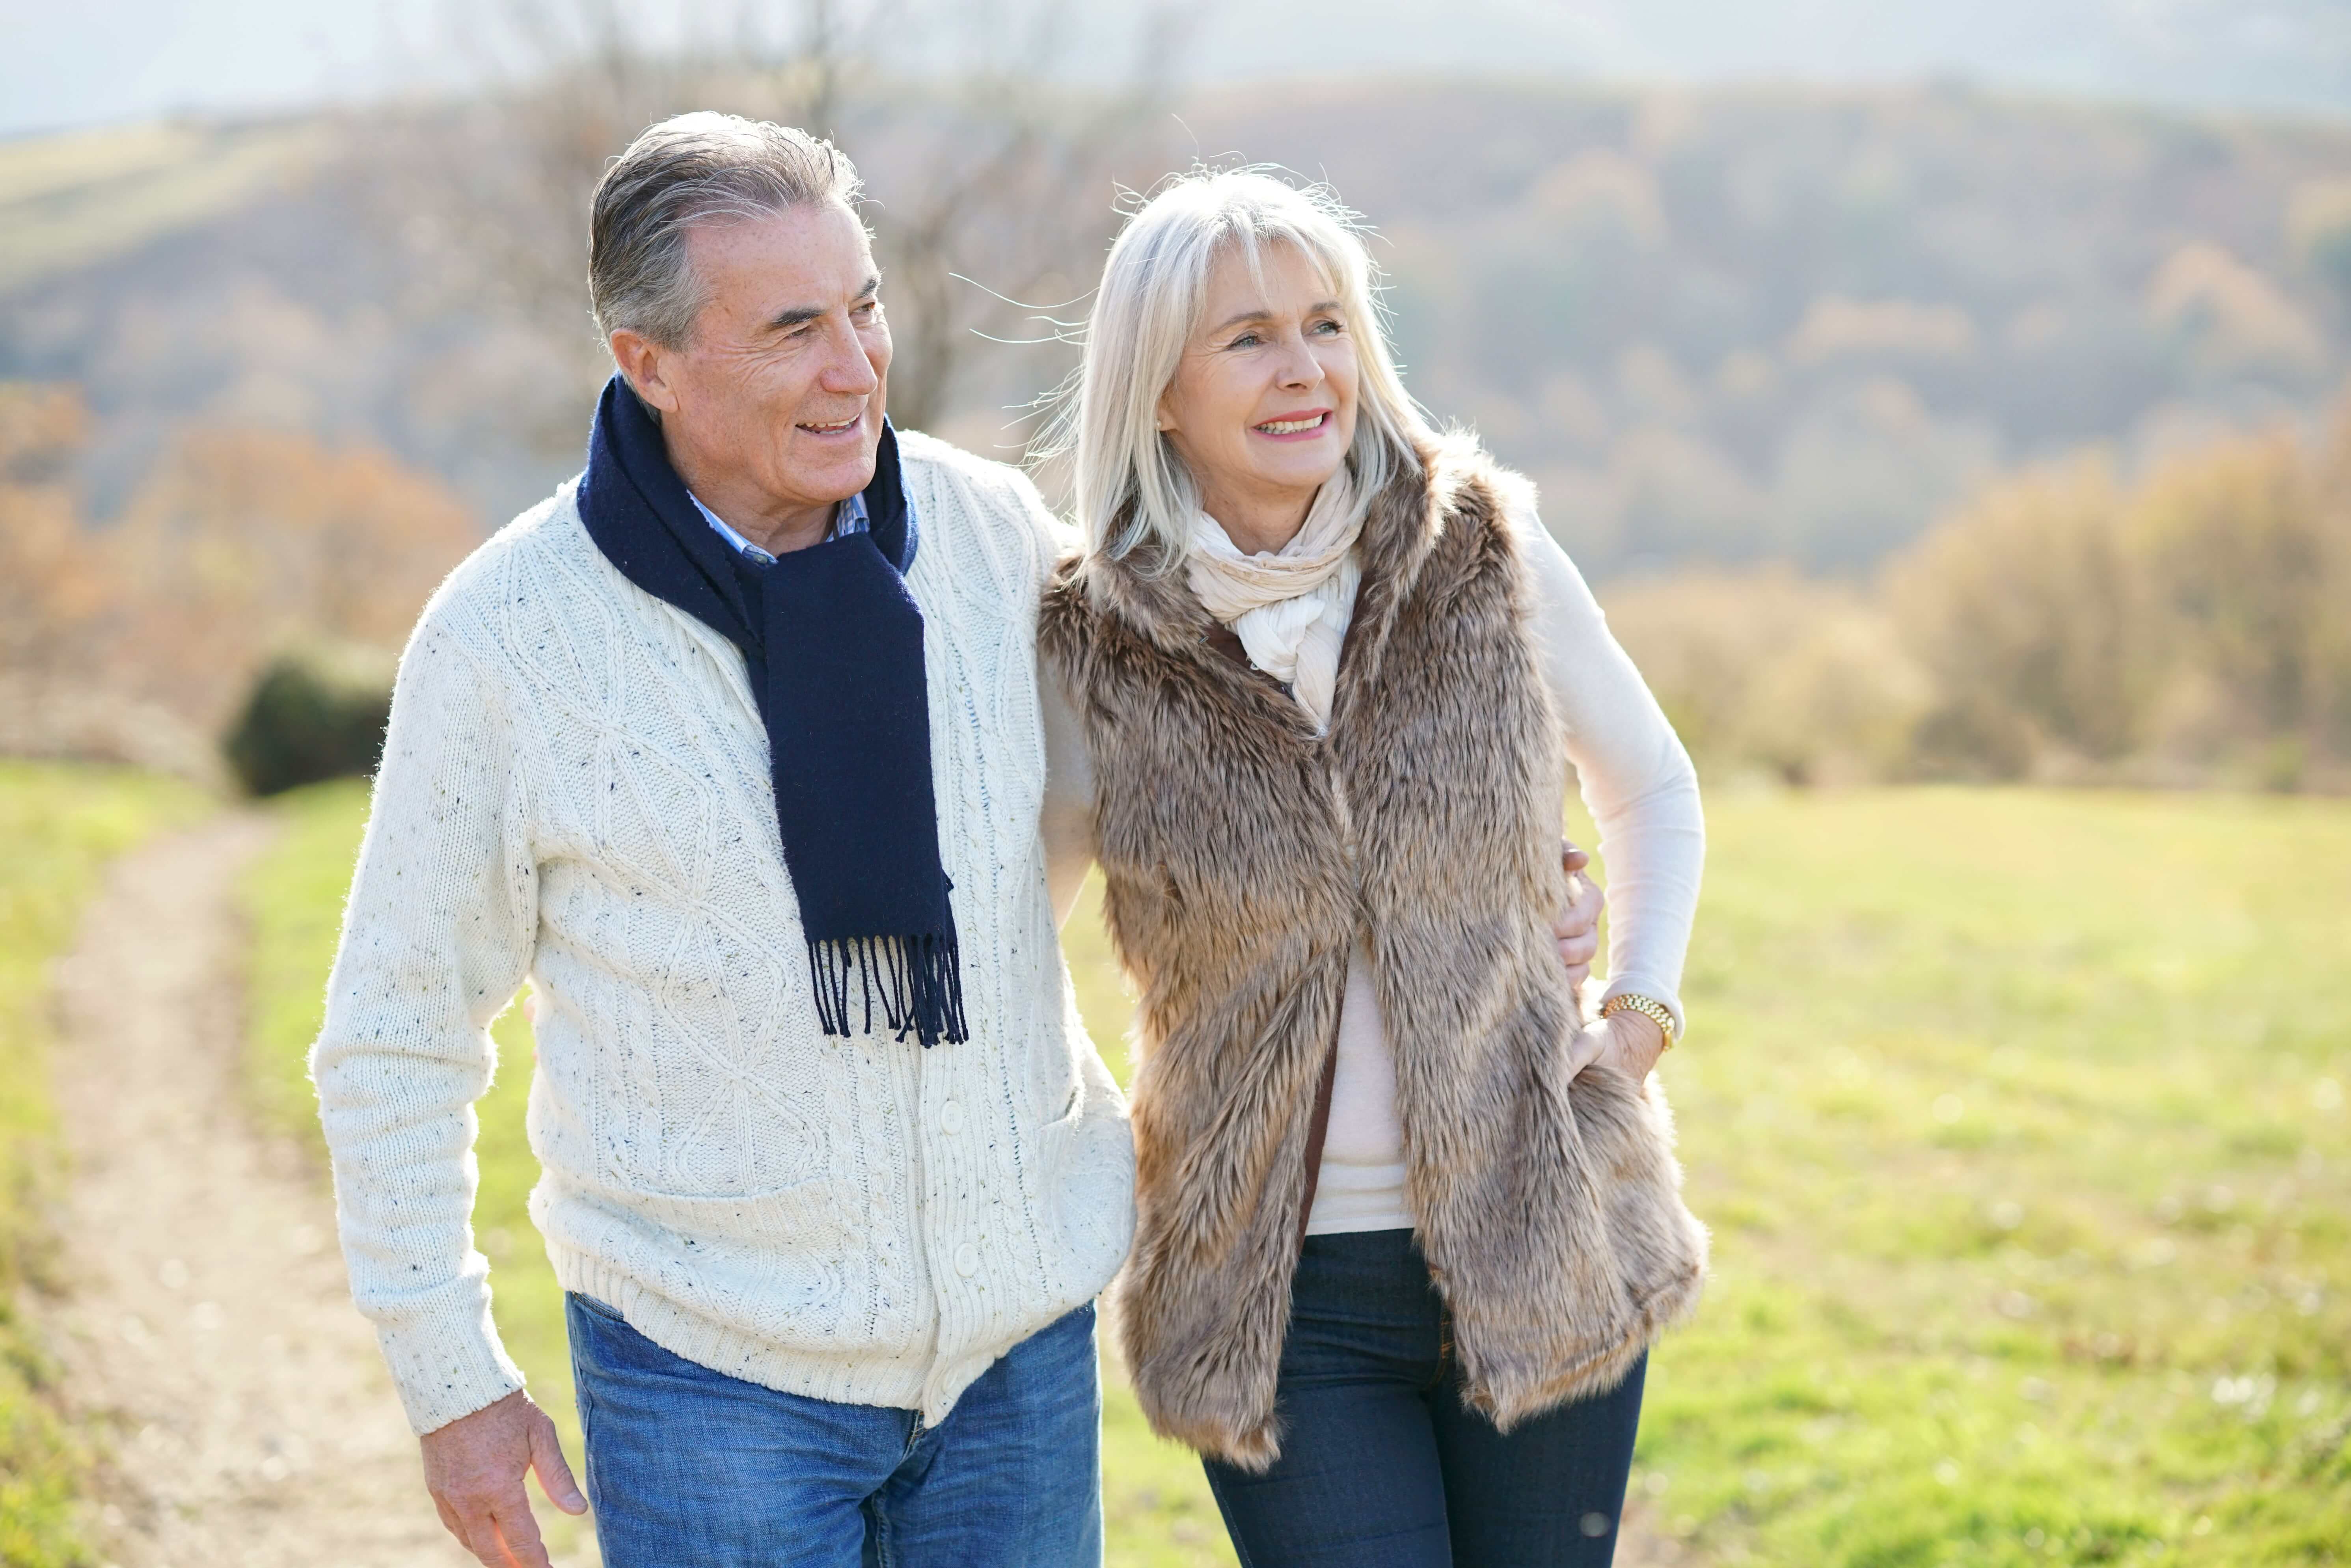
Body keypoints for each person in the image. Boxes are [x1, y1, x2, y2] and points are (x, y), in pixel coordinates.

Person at [309, 113, 1145, 1568]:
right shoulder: (510, 638)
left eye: (867, 305)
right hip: (707, 1383)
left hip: (1015, 1357)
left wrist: (1517, 869)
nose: (857, 365)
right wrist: (451, 1378)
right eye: (793, 328)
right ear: (650, 361)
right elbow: (394, 1034)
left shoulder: (992, 536)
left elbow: (1173, 789)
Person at [1035, 168, 1710, 1568]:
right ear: (1158, 390)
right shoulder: (1093, 640)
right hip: (1272, 1297)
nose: (1305, 371)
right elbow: (1010, 933)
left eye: (1326, 323)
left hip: (1541, 1231)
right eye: (1248, 339)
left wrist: (1635, 1016)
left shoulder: (1481, 551)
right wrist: (1119, 1151)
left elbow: (1647, 783)